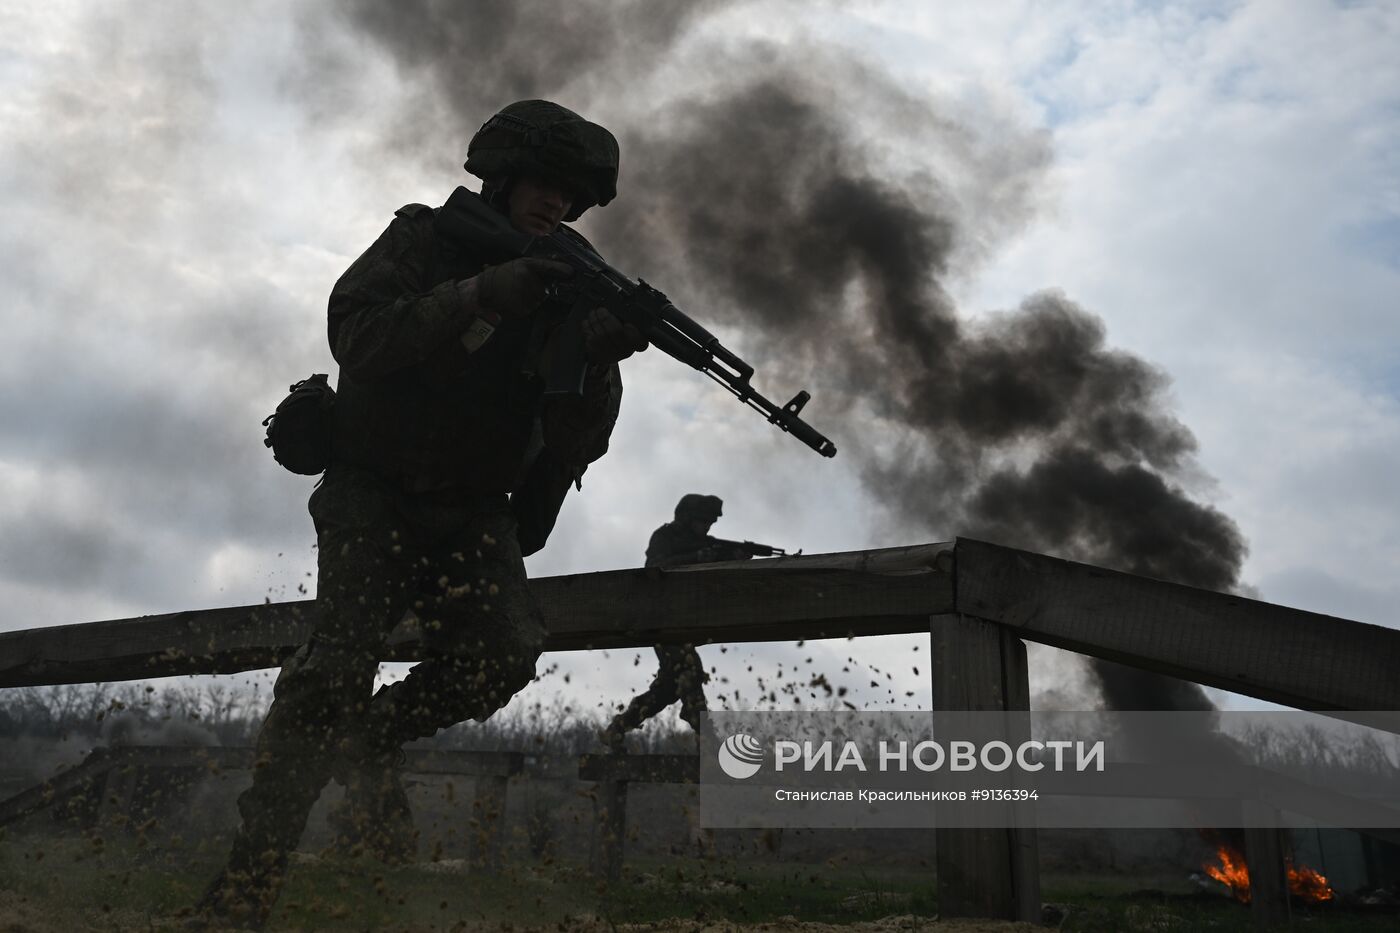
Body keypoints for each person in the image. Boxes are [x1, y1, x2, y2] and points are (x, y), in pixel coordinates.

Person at [192, 100, 646, 929]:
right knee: (330, 672)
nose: (555, 206)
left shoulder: (574, 283)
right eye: (543, 187)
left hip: (472, 510)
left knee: (505, 652)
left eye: (569, 196)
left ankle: (364, 739)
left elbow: (575, 440)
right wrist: (480, 293)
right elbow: (356, 337)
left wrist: (593, 356)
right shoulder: (426, 240)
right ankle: (245, 886)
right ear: (505, 179)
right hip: (376, 488)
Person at [600, 494, 755, 752]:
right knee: (690, 668)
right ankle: (707, 738)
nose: (706, 527)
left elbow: (716, 571)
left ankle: (617, 729)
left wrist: (736, 557)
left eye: (710, 523)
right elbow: (655, 566)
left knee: (668, 689)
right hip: (659, 619)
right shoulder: (665, 537)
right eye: (702, 521)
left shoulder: (706, 544)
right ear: (686, 518)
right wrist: (698, 557)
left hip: (680, 621)